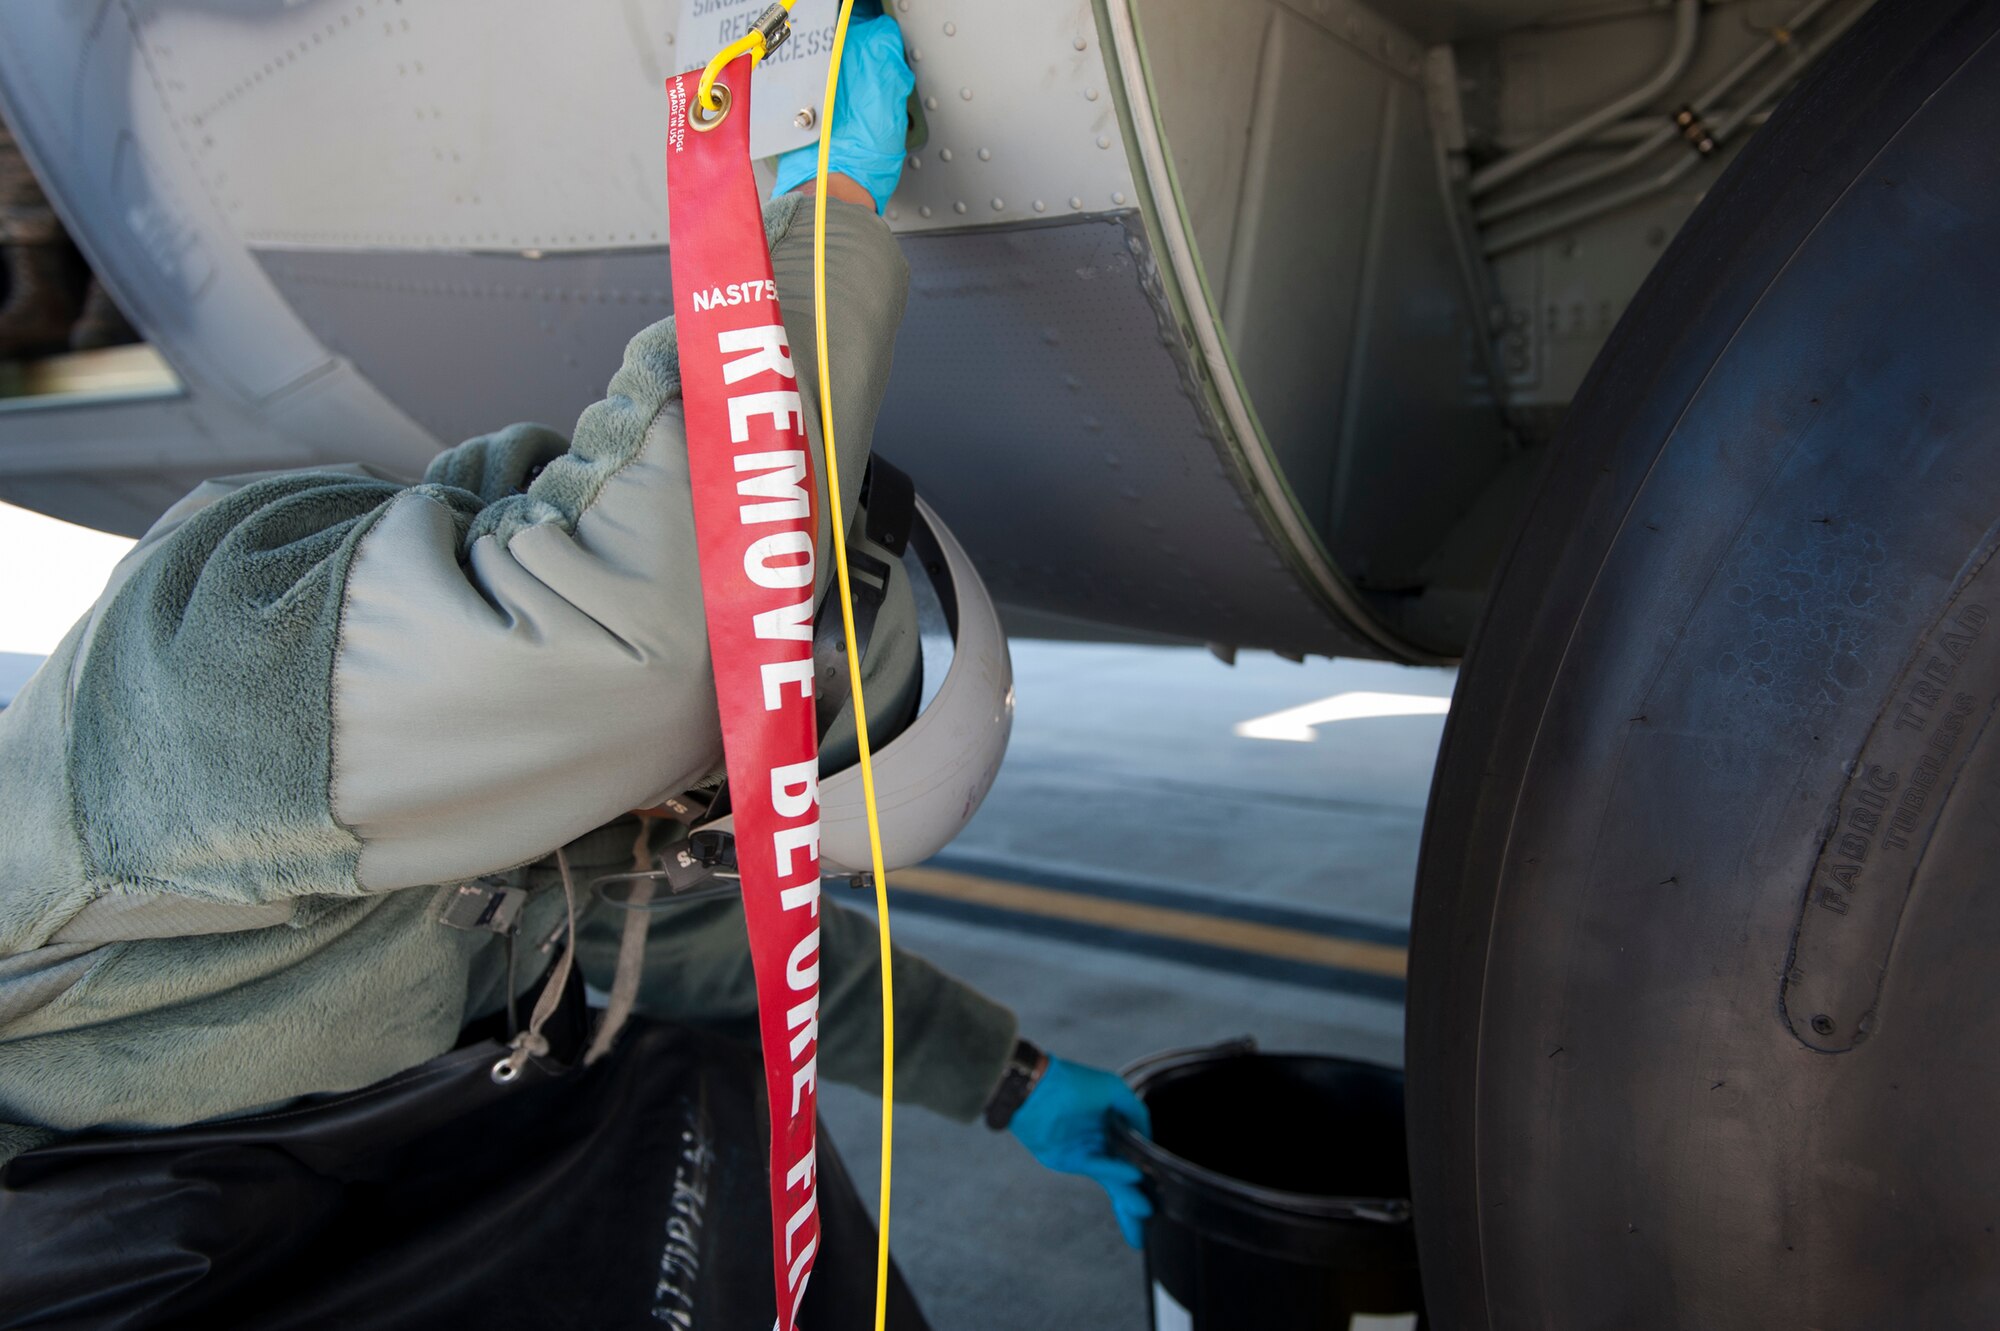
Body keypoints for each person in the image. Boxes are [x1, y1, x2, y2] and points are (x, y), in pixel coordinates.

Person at [0, 14, 1147, 1325]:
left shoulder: (580, 799)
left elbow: (725, 948)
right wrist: (821, 204)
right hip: (102, 1260)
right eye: (712, 799)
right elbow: (650, 640)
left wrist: (1009, 1078)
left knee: (709, 1113)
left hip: (338, 1202)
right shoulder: (228, 649)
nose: (680, 837)